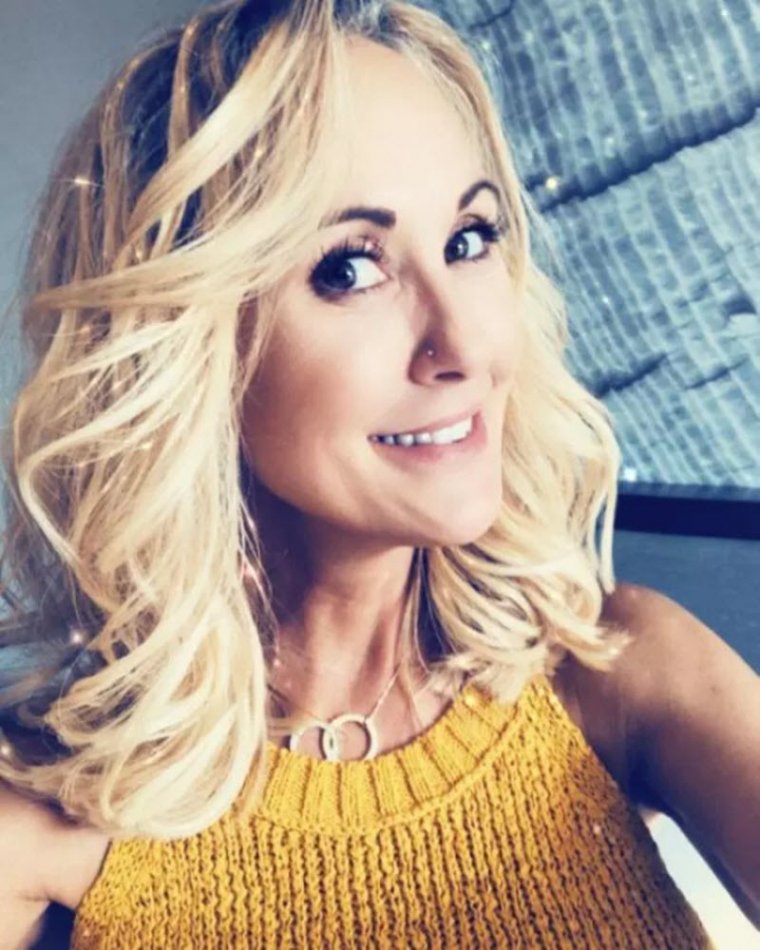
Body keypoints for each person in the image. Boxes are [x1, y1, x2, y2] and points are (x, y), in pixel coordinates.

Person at [0, 0, 757, 946]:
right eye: (349, 268)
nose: (466, 346)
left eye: (469, 239)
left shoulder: (623, 671)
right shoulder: (55, 807)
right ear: (187, 342)